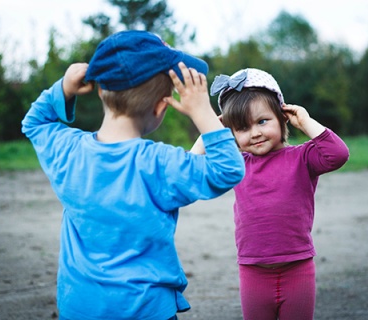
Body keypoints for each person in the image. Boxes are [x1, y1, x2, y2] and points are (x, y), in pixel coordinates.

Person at [21, 30, 245, 320]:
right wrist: (201, 112)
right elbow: (228, 169)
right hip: (146, 309)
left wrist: (64, 87)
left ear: (102, 91)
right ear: (161, 106)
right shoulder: (160, 163)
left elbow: (34, 122)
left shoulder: (68, 151)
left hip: (80, 308)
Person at [192, 68, 349, 319]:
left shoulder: (302, 157)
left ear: (282, 116)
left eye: (262, 121)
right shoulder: (236, 164)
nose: (254, 133)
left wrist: (304, 120)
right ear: (231, 132)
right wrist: (211, 130)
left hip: (297, 268)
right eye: (242, 127)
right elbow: (192, 168)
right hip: (253, 271)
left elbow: (338, 154)